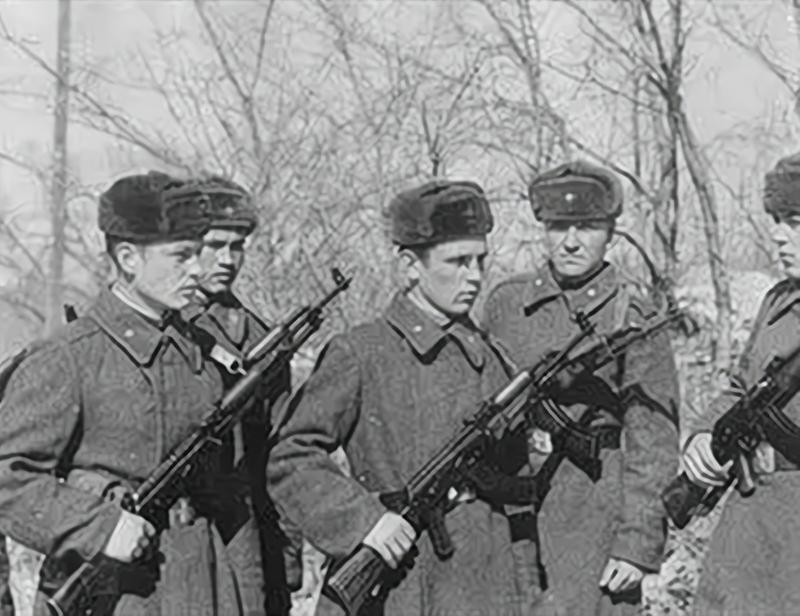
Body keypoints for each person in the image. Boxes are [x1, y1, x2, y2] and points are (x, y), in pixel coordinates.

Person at [267, 179, 538, 616]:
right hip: (400, 585)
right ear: (411, 265)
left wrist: (527, 594)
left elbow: (516, 490)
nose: (474, 276)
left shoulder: (492, 359)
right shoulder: (362, 352)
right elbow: (291, 457)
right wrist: (363, 521)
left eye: (480, 260)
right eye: (458, 261)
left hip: (487, 584)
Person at [0, 171, 258, 615]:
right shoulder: (69, 357)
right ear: (128, 258)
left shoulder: (203, 352)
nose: (197, 269)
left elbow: (234, 496)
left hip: (206, 586)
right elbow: (9, 477)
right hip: (114, 596)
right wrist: (98, 526)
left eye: (197, 253)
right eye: (180, 256)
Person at [483, 160, 680, 615]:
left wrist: (636, 544)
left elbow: (654, 440)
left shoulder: (632, 316)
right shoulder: (506, 304)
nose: (570, 241)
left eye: (587, 227)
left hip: (593, 508)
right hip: (510, 503)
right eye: (558, 227)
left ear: (610, 233)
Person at [681, 152, 800, 615]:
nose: (778, 235)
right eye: (776, 220)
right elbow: (740, 387)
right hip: (752, 515)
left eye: (794, 221)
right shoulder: (777, 301)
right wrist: (704, 434)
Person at [187, 175, 292, 614]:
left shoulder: (260, 336)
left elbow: (282, 448)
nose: (227, 259)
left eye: (237, 247)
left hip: (246, 530)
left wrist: (288, 552)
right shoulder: (165, 328)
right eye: (214, 245)